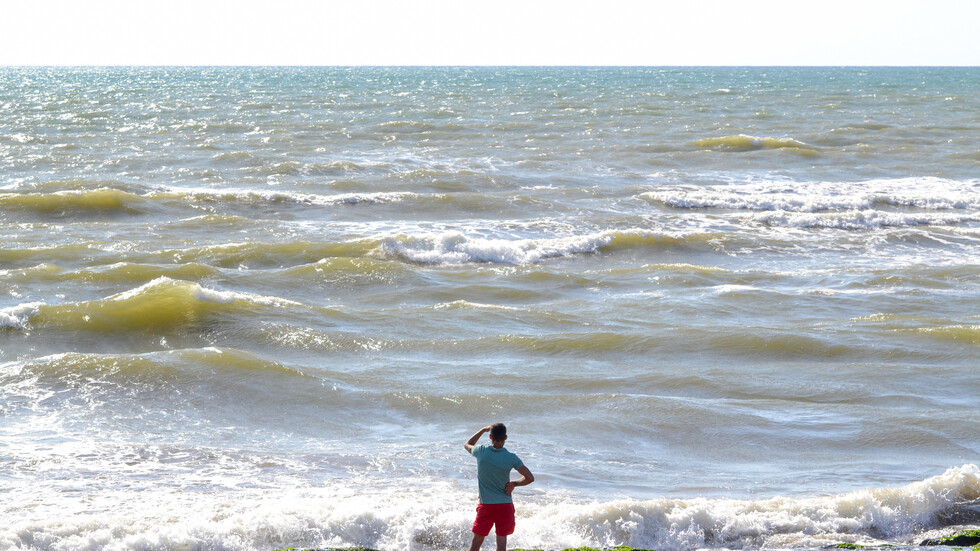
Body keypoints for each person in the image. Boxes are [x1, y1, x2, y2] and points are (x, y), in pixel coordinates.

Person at [464, 423, 534, 551]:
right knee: (501, 544)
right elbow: (530, 477)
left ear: (490, 436)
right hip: (505, 505)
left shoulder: (481, 451)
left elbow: (467, 444)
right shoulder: (511, 457)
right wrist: (514, 484)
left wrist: (482, 430)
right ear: (505, 437)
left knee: (476, 542)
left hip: (486, 505)